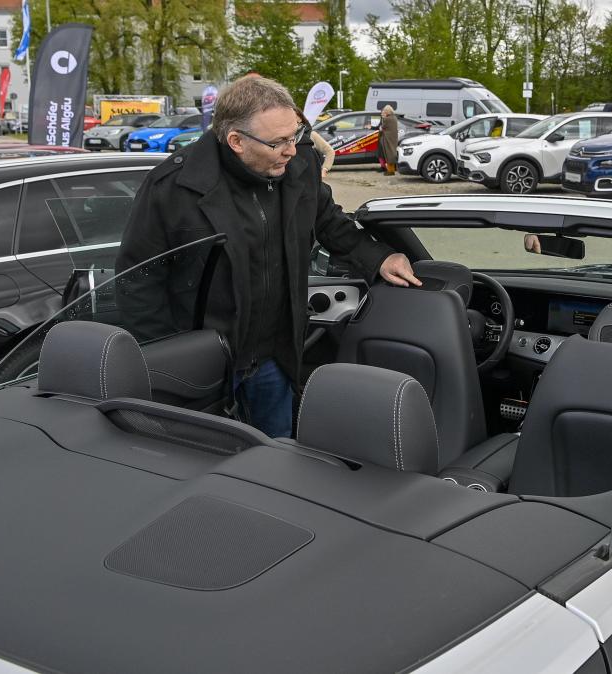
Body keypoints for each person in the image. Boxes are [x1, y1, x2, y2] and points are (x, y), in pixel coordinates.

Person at [116, 75, 420, 438]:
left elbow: (328, 221)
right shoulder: (173, 189)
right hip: (205, 365)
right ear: (236, 142)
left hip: (275, 360)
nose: (292, 150)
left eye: (294, 136)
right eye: (278, 143)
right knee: (211, 465)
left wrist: (380, 257)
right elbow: (138, 282)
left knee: (276, 464)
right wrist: (170, 363)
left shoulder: (298, 167)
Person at [378, 105, 398, 176]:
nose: (383, 112)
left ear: (387, 111)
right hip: (393, 138)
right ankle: (392, 169)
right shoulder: (394, 117)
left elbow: (382, 128)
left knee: (389, 154)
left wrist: (383, 119)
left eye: (384, 111)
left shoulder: (387, 119)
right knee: (393, 153)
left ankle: (390, 171)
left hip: (388, 139)